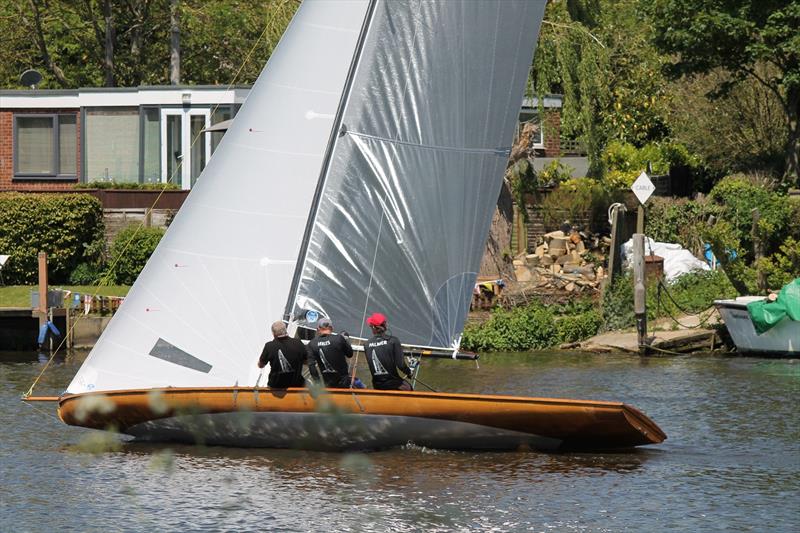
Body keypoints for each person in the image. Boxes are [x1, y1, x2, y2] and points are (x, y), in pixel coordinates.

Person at [364, 312, 413, 391]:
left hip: (377, 385)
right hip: (394, 384)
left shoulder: (366, 344)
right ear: (385, 325)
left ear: (373, 327)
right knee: (409, 387)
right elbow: (401, 365)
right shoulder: (393, 341)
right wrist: (409, 372)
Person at [306, 318, 356, 388]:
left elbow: (311, 366)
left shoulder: (312, 343)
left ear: (318, 329)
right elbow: (350, 354)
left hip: (327, 383)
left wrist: (318, 383)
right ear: (332, 328)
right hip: (343, 383)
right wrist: (346, 340)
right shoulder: (339, 338)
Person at [257, 320, 307, 388]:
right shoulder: (298, 342)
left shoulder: (269, 346)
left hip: (276, 386)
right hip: (297, 385)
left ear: (273, 333)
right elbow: (307, 361)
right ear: (285, 330)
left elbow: (261, 365)